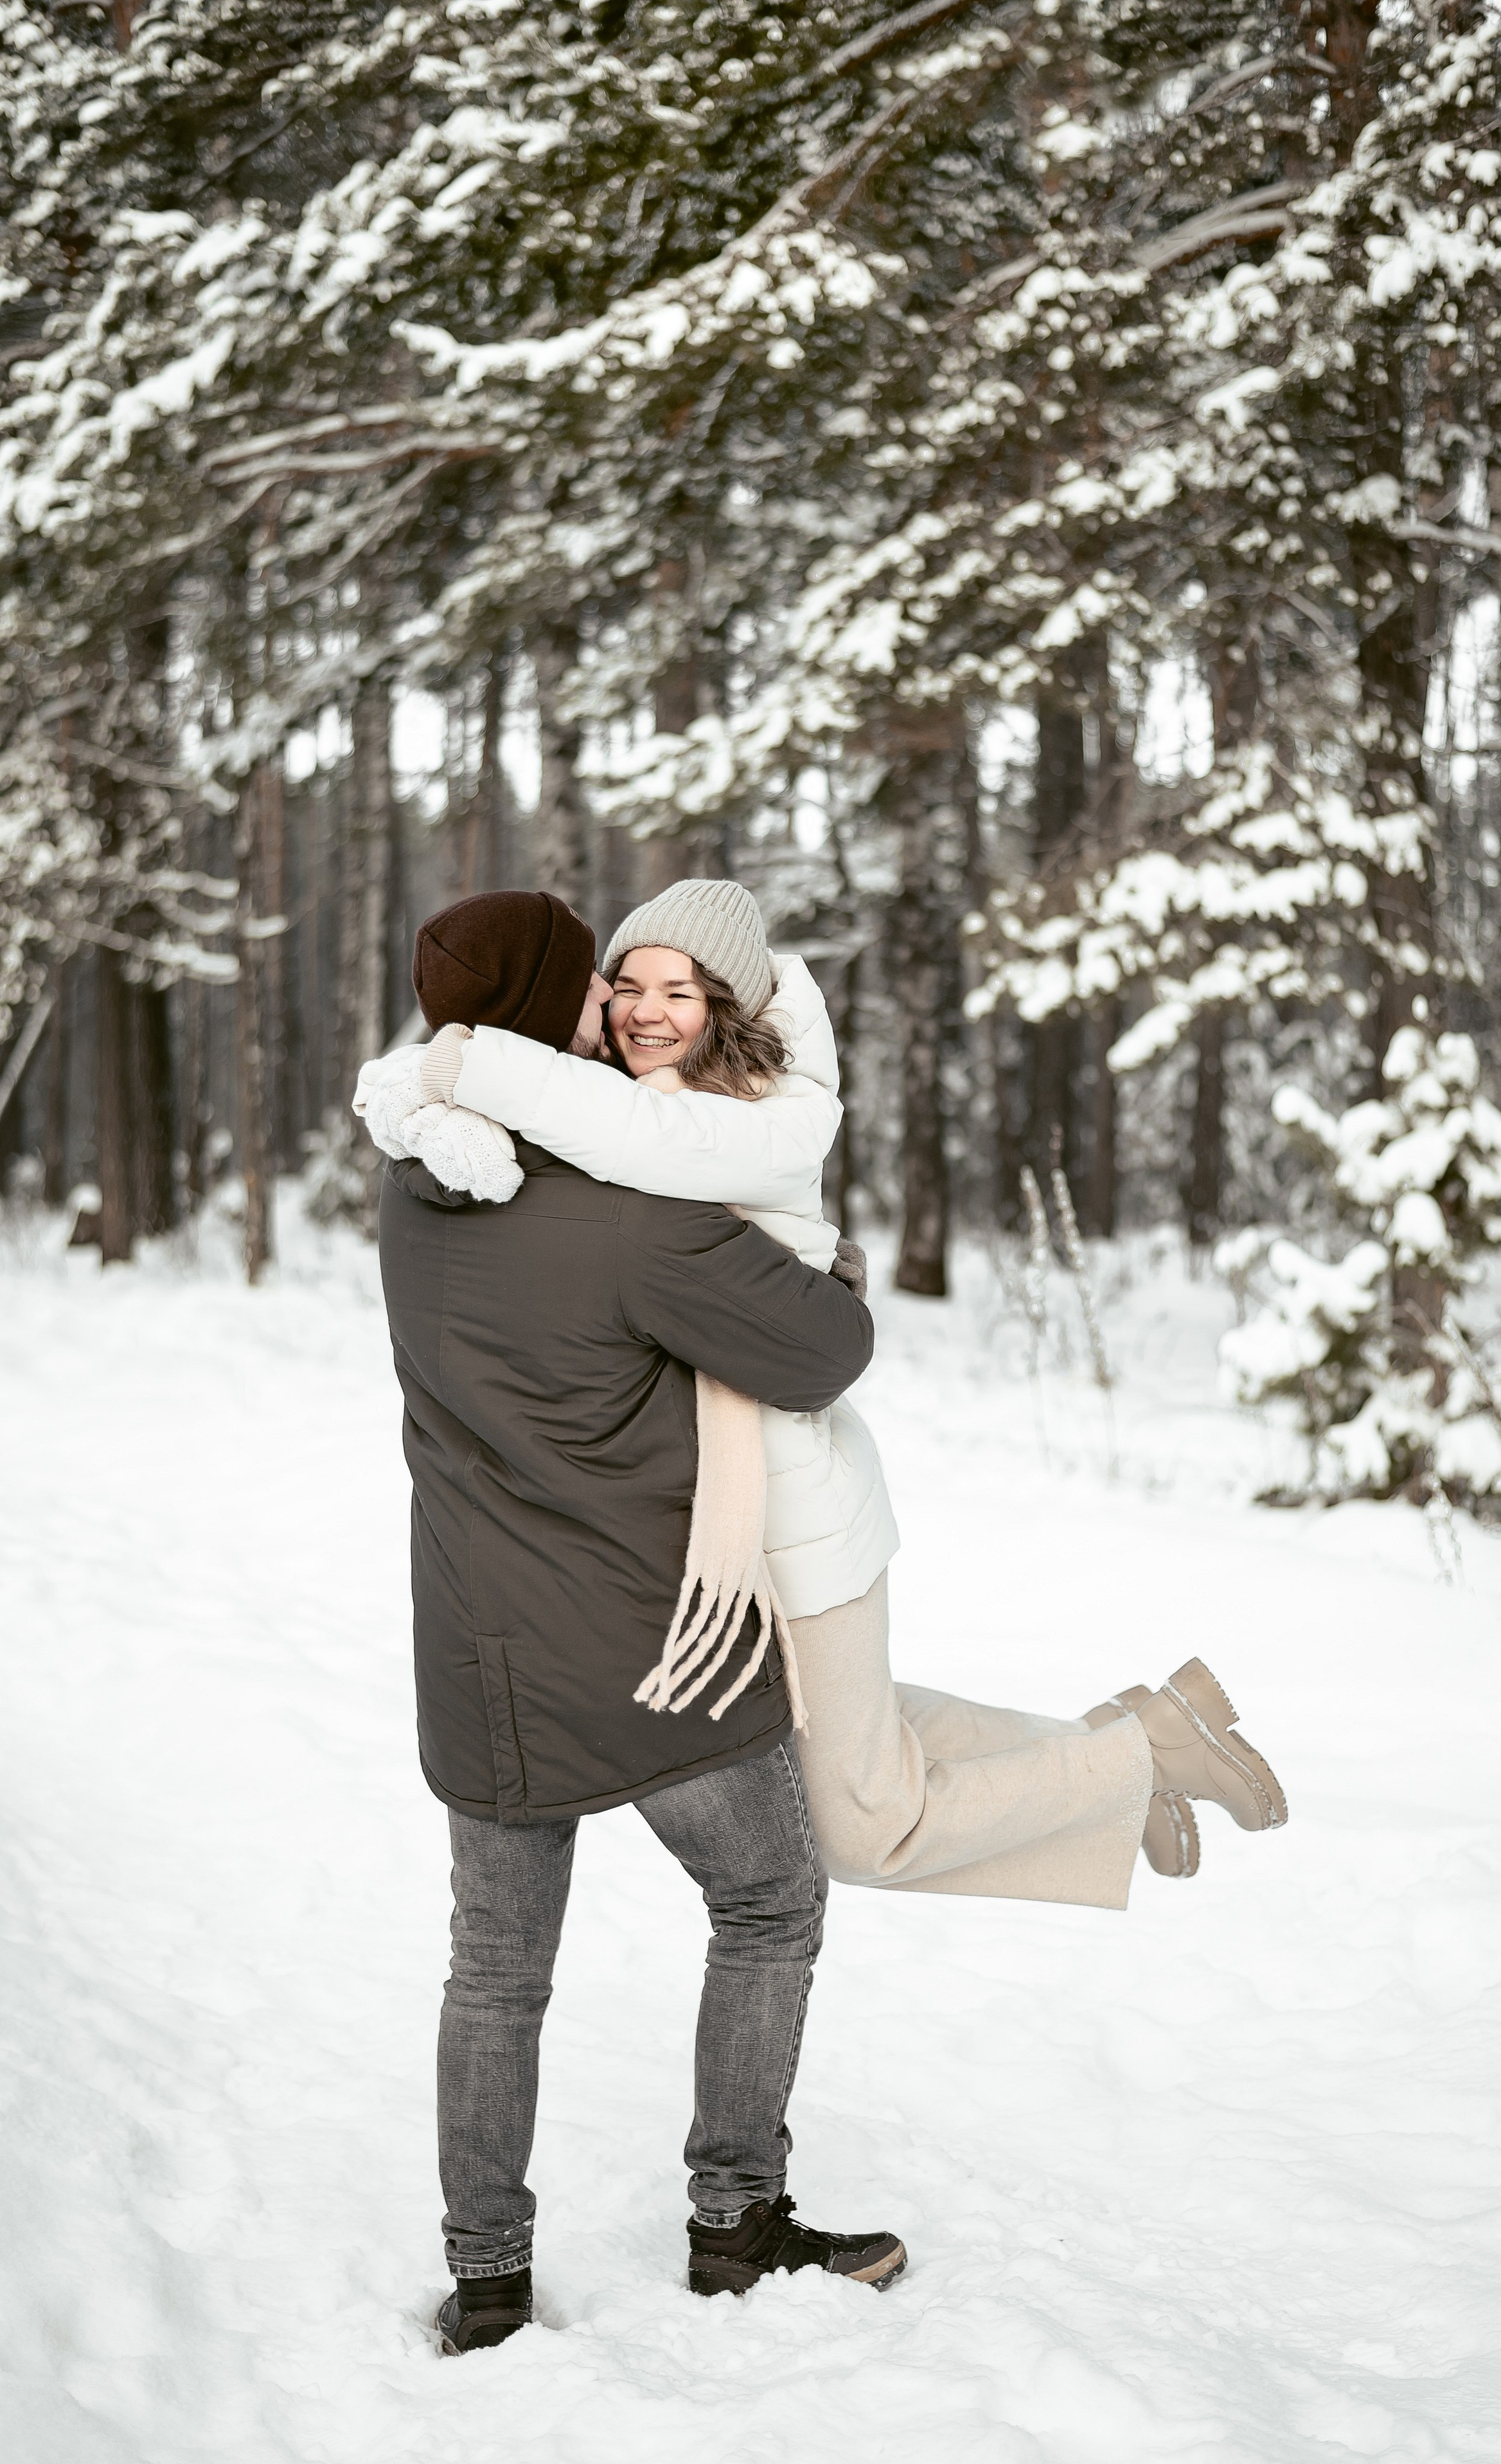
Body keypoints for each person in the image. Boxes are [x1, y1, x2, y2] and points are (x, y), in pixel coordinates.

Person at [362, 878, 1288, 1920]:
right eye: (624, 984)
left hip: (795, 1498)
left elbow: (633, 1153)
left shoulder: (747, 1116)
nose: (639, 1010)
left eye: (680, 992)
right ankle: (1134, 1746)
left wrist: (455, 1062)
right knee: (859, 1743)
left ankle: (1135, 1760)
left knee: (863, 1826)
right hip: (720, 1522)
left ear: (728, 1009)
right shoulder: (627, 1102)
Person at [371, 889, 908, 2357]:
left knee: (494, 1968)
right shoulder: (633, 1213)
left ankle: (487, 2281)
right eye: (593, 979)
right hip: (647, 1647)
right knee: (769, 1901)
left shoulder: (411, 1188)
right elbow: (822, 1350)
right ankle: (735, 2221)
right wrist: (825, 1268)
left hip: (474, 1648)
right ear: (554, 1006)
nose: (615, 1005)